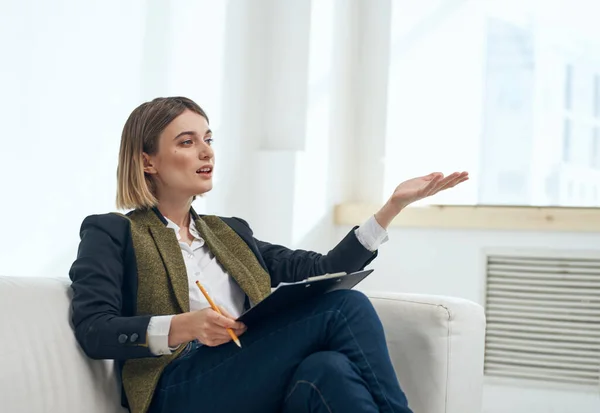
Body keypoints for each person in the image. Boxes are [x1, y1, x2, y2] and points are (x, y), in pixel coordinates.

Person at [69, 96, 468, 413]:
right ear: (147, 160)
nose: (206, 152)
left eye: (208, 139)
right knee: (344, 307)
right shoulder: (112, 231)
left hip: (244, 371)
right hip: (177, 388)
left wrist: (391, 207)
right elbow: (94, 329)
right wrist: (183, 326)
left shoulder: (229, 232)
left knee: (326, 370)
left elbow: (324, 268)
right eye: (187, 142)